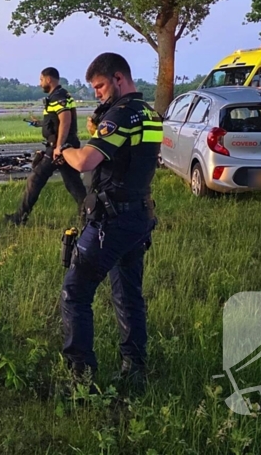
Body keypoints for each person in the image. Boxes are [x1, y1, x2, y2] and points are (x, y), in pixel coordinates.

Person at [58, 52, 162, 392]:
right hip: (138, 216)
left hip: (112, 221)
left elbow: (86, 162)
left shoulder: (121, 115)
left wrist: (66, 150)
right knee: (128, 295)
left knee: (75, 292)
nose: (98, 93)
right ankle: (134, 371)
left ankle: (81, 379)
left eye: (101, 86)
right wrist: (99, 130)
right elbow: (129, 155)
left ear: (119, 78)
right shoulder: (148, 113)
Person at [5, 67, 88, 225]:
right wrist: (41, 124)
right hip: (62, 145)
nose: (40, 83)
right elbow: (56, 121)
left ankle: (19, 218)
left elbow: (65, 121)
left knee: (35, 179)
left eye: (41, 80)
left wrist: (59, 146)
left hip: (59, 147)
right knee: (73, 184)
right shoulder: (59, 95)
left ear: (49, 80)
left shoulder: (58, 97)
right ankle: (88, 216)